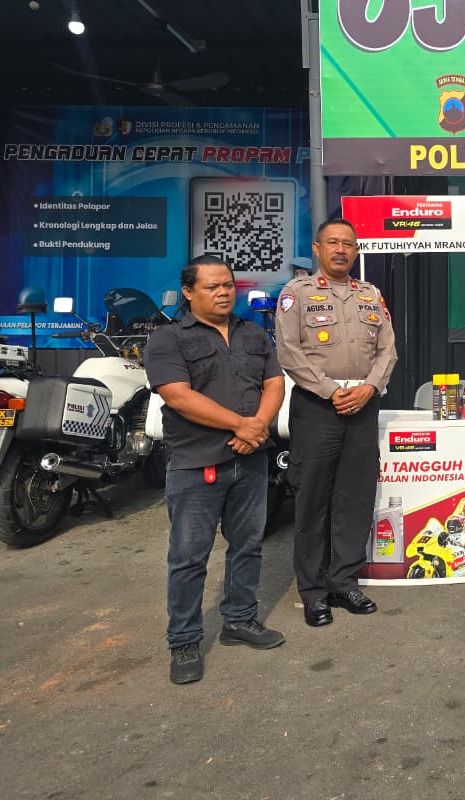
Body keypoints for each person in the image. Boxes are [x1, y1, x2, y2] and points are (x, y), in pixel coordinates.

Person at [145, 255, 286, 685]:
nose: (224, 292)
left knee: (248, 546)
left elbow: (274, 383)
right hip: (197, 463)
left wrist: (257, 427)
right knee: (189, 557)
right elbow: (178, 395)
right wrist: (240, 425)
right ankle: (184, 640)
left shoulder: (251, 333)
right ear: (189, 292)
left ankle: (239, 620)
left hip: (251, 458)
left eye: (228, 284)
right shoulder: (168, 339)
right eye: (212, 286)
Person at [275, 217, 398, 627]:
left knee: (354, 498)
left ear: (356, 250)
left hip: (363, 404)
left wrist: (370, 387)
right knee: (312, 500)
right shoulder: (296, 293)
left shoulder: (370, 294)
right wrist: (330, 391)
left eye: (348, 243)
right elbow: (288, 351)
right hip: (317, 407)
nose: (341, 249)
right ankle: (313, 592)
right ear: (317, 249)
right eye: (333, 243)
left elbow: (388, 350)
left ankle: (344, 581)